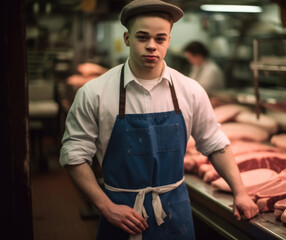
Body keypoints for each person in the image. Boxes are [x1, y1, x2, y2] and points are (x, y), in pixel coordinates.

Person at [60, 0, 259, 239]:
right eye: (142, 37)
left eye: (160, 38)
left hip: (176, 212)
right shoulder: (94, 93)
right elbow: (73, 155)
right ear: (127, 38)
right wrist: (106, 206)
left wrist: (240, 192)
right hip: (121, 213)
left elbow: (216, 145)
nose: (151, 46)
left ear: (168, 41)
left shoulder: (190, 90)